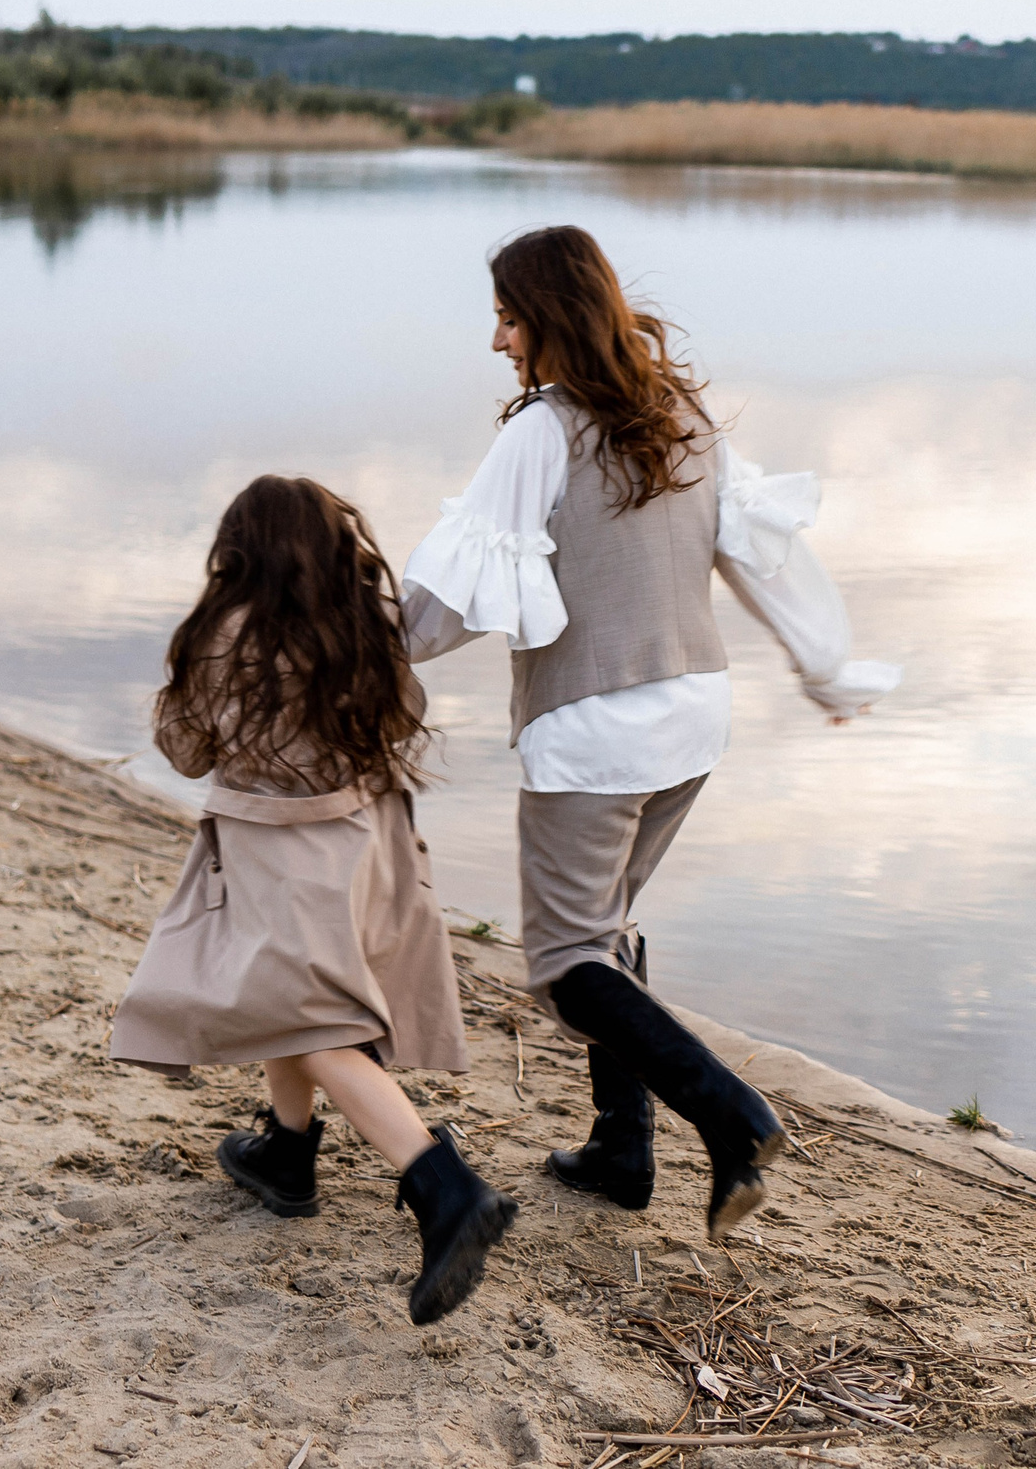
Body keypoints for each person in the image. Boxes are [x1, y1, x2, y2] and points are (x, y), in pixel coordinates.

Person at [401, 225, 898, 1243]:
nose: (496, 340)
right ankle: (621, 1150)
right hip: (693, 717)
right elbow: (760, 561)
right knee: (609, 921)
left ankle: (731, 1115)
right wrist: (826, 668)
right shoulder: (686, 413)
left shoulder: (541, 432)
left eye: (505, 316)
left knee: (564, 963)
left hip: (594, 725)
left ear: (546, 316)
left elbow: (450, 597)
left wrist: (355, 644)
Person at [109, 474, 516, 1325]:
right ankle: (287, 1154)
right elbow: (403, 716)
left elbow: (183, 748)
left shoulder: (225, 634)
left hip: (277, 854)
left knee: (315, 1018)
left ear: (239, 550)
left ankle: (443, 1186)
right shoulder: (362, 628)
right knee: (291, 994)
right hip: (367, 846)